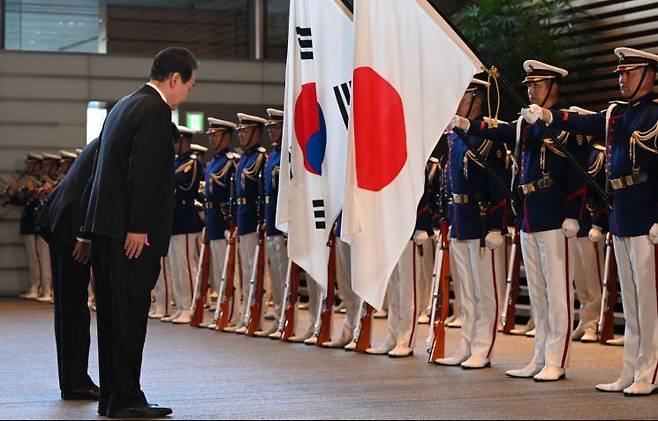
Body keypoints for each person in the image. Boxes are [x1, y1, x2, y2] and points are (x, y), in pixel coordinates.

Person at [524, 47, 658, 396]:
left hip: (647, 214)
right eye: (620, 72)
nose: (620, 77)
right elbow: (586, 123)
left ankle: (650, 372)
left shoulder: (655, 115)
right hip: (623, 212)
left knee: (649, 301)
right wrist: (552, 119)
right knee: (630, 302)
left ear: (649, 75)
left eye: (628, 71)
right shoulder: (616, 115)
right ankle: (630, 370)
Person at [451, 60, 587, 381]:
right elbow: (499, 131)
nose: (530, 90)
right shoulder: (527, 124)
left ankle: (557, 358)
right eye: (528, 85)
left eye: (537, 84)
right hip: (529, 216)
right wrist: (468, 125)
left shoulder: (567, 124)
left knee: (557, 292)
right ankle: (539, 355)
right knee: (538, 293)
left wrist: (573, 214)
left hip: (554, 215)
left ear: (553, 86)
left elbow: (577, 174)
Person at [84, 47, 197, 418]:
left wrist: (92, 227)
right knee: (130, 316)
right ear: (175, 79)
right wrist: (138, 225)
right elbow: (144, 173)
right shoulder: (155, 110)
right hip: (129, 234)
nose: (186, 96)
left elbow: (102, 172)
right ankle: (127, 398)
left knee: (114, 319)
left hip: (106, 229)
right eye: (189, 87)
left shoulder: (122, 105)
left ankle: (113, 397)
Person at [435, 78, 508, 369]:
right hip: (459, 219)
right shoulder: (454, 136)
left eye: (461, 94)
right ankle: (465, 344)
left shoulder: (487, 133)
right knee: (465, 291)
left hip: (480, 221)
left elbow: (500, 182)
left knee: (485, 291)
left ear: (476, 97)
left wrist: (495, 225)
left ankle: (482, 347)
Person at [36, 139, 100, 401]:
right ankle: (75, 383)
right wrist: (84, 235)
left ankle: (73, 380)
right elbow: (95, 190)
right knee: (74, 310)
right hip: (72, 227)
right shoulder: (114, 146)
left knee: (69, 308)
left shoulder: (104, 140)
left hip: (62, 220)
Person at [160, 125, 205, 325]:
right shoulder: (175, 163)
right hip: (174, 221)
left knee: (187, 266)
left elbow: (186, 186)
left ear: (184, 142)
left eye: (175, 142)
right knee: (176, 267)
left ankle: (190, 307)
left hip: (187, 220)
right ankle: (180, 306)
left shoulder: (192, 163)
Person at [228, 113, 268, 334]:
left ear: (256, 132)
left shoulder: (260, 157)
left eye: (246, 131)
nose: (242, 135)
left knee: (256, 270)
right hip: (243, 217)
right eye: (240, 131)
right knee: (245, 269)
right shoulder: (244, 158)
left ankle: (256, 315)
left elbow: (261, 191)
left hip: (254, 217)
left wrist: (261, 219)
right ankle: (246, 313)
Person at [198, 117, 239, 329]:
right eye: (210, 135)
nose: (212, 139)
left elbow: (231, 195)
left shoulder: (231, 161)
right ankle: (222, 310)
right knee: (218, 272)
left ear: (226, 136)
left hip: (224, 222)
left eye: (215, 135)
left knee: (230, 270)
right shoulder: (214, 162)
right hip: (213, 221)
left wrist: (229, 223)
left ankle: (232, 313)